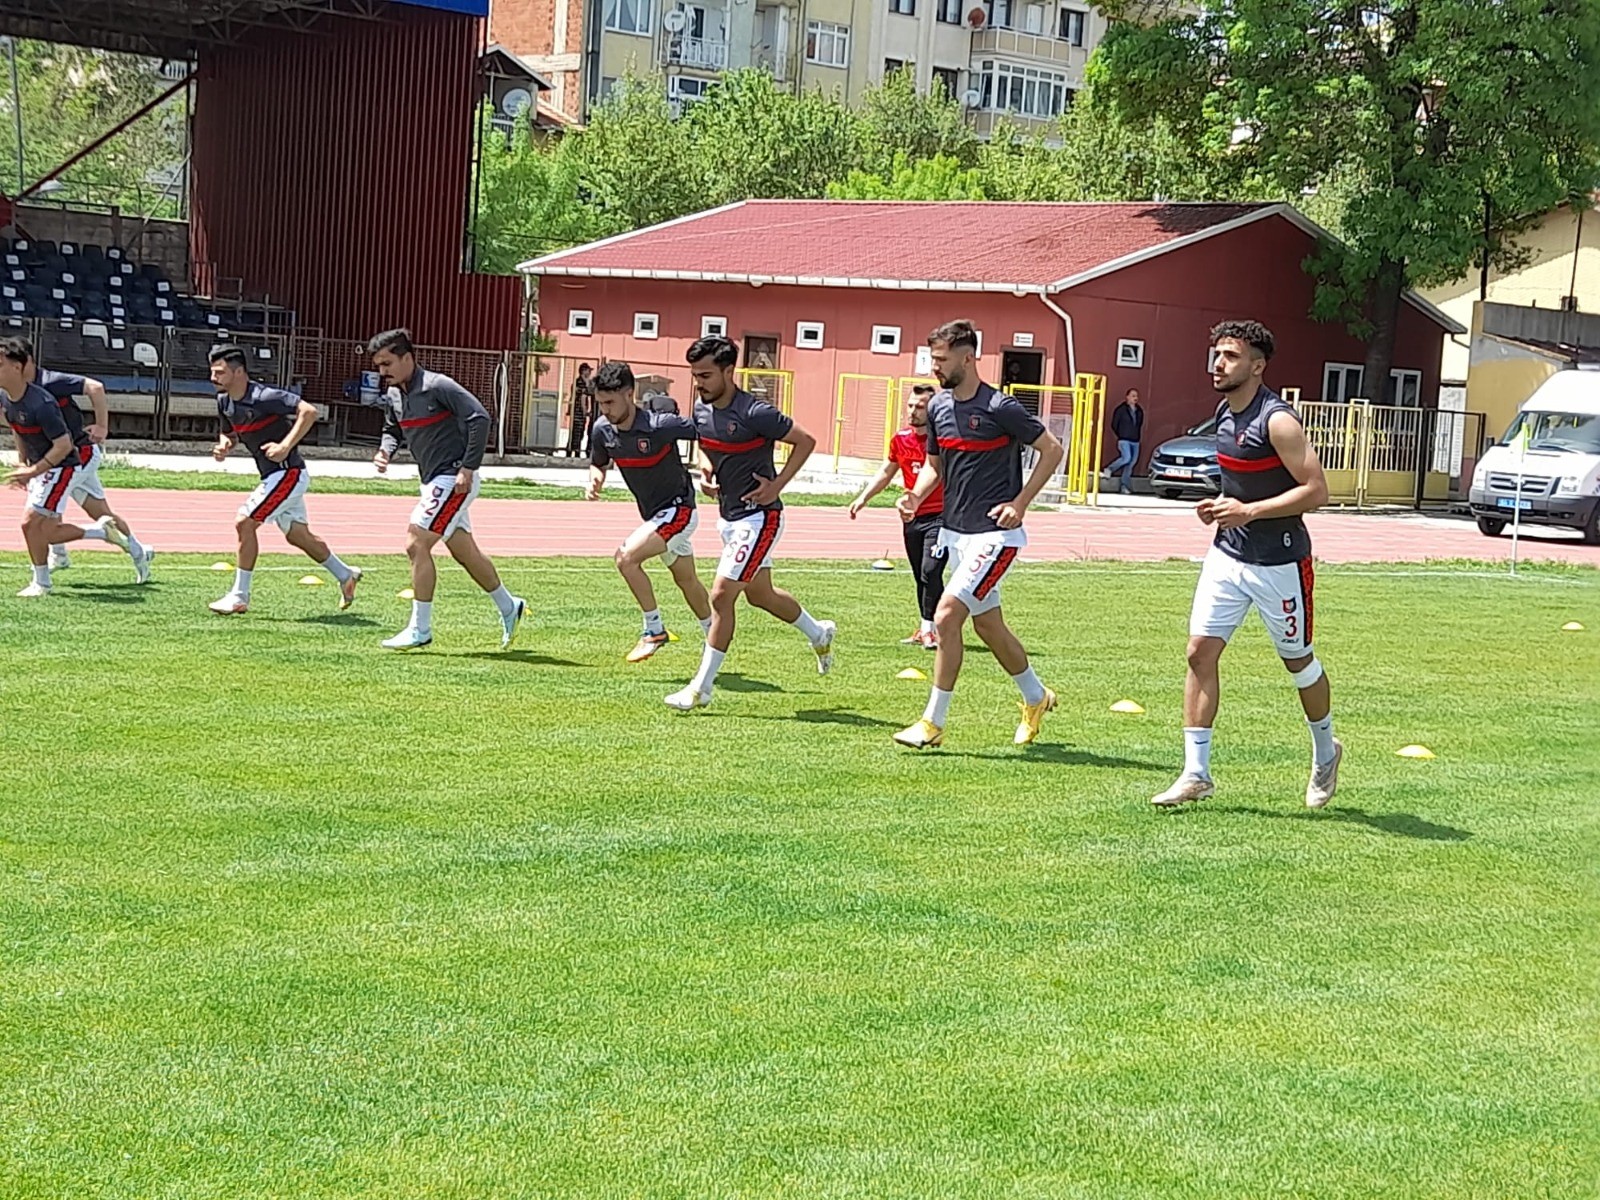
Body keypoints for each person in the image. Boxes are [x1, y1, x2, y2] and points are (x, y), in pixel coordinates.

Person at [1152, 320, 1341, 810]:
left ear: (1257, 366)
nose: (1218, 364)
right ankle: (1196, 774)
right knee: (1199, 652)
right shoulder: (1223, 412)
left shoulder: (1278, 421)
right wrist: (1219, 505)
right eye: (1216, 354)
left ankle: (1326, 751)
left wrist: (1250, 511)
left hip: (1279, 562)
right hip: (1227, 554)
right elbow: (1242, 486)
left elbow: (1317, 491)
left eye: (1231, 356)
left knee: (1298, 662)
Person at [892, 320, 1065, 749]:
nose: (934, 367)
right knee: (989, 627)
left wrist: (1020, 503)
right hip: (956, 534)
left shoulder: (1000, 407)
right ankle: (1036, 697)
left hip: (996, 536)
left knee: (946, 616)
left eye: (941, 360)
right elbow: (934, 466)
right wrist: (915, 496)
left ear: (968, 358)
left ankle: (932, 723)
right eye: (932, 359)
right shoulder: (938, 407)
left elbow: (1052, 449)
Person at [665, 335, 835, 711]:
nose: (699, 383)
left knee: (721, 596)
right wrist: (707, 470)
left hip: (760, 518)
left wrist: (777, 485)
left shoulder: (756, 412)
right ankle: (819, 632)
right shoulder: (702, 409)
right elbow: (706, 445)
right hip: (729, 518)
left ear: (729, 371)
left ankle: (701, 688)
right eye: (695, 375)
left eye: (706, 375)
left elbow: (806, 441)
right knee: (761, 596)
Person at [369, 328, 526, 650]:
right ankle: (510, 605)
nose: (382, 372)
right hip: (431, 482)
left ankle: (420, 629)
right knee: (464, 552)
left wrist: (468, 467)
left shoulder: (438, 385)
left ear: (407, 358)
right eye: (379, 365)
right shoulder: (394, 396)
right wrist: (386, 450)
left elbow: (479, 418)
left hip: (452, 479)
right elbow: (392, 429)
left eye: (387, 363)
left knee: (416, 543)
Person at [205, 346, 362, 615]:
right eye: (212, 372)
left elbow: (309, 411)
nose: (213, 377)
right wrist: (224, 445)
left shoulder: (264, 396)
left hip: (288, 473)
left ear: (239, 372)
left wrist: (285, 446)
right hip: (273, 476)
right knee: (298, 536)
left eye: (219, 372)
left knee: (244, 523)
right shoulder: (224, 402)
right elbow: (228, 434)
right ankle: (346, 574)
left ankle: (239, 597)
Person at [585, 359, 713, 662]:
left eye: (610, 403)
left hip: (680, 510)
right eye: (600, 403)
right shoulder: (602, 430)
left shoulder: (659, 425)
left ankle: (653, 630)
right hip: (655, 516)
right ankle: (715, 634)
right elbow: (598, 462)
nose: (605, 410)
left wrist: (707, 464)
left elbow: (707, 433)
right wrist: (595, 479)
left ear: (630, 394)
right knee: (686, 580)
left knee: (626, 559)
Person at [0, 337, 136, 596]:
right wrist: (22, 461)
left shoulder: (43, 400)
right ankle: (97, 534)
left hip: (63, 465)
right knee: (47, 530)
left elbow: (63, 446)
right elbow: (17, 426)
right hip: (46, 465)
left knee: (31, 524)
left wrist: (33, 471)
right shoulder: (7, 397)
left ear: (19, 366)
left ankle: (42, 583)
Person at [22, 349, 152, 581]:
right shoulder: (14, 391)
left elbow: (95, 387)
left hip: (76, 456)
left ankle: (58, 561)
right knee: (99, 512)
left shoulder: (51, 381)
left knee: (41, 520)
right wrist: (23, 458)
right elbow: (17, 424)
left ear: (26, 362)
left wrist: (102, 426)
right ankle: (138, 551)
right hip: (56, 459)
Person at [849, 382, 945, 648]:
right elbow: (886, 471)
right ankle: (928, 627)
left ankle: (930, 629)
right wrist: (863, 498)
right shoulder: (901, 439)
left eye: (920, 407)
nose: (913, 411)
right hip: (911, 517)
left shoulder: (942, 441)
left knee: (930, 571)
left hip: (941, 516)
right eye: (911, 405)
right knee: (920, 575)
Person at [1103, 387, 1145, 494]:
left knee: (1131, 463)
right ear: (1127, 397)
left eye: (1136, 396)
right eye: (1133, 396)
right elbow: (1114, 424)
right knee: (1126, 458)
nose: (1135, 398)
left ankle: (1124, 486)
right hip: (1124, 439)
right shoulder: (1121, 410)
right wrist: (1121, 434)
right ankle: (1109, 468)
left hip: (1135, 440)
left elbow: (1140, 424)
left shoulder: (1139, 411)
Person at [567, 363, 594, 457]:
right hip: (578, 412)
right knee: (578, 433)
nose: (590, 373)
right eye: (588, 371)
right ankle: (575, 452)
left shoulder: (577, 382)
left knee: (575, 433)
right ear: (584, 371)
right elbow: (583, 398)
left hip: (576, 411)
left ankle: (570, 451)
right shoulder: (581, 383)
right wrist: (585, 412)